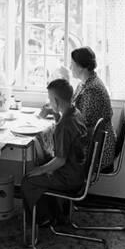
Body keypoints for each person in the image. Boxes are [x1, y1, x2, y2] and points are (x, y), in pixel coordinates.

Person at [21, 78, 89, 225]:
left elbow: (60, 160)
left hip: (69, 178)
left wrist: (41, 170)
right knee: (43, 163)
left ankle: (42, 219)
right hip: (78, 171)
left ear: (57, 102)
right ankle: (54, 213)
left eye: (50, 99)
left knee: (28, 180)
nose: (49, 102)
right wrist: (57, 113)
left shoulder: (63, 126)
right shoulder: (75, 113)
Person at [70, 46, 116, 170]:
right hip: (93, 142)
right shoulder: (85, 83)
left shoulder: (92, 89)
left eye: (72, 64)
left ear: (81, 66)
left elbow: (84, 123)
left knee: (52, 152)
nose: (70, 68)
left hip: (97, 149)